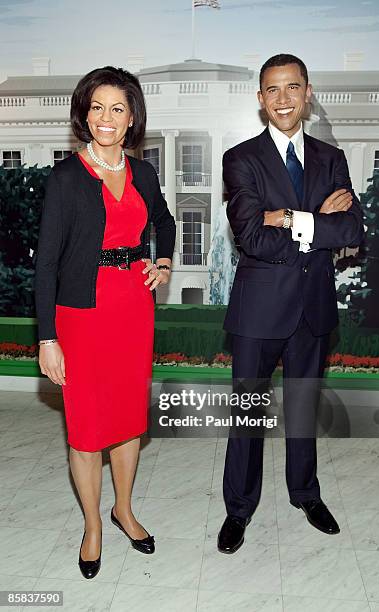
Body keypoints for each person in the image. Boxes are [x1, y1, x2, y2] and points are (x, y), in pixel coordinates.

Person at [218, 54, 364, 554]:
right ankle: (238, 509)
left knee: (304, 410)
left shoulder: (331, 157)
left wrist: (290, 219)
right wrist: (315, 220)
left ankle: (306, 494)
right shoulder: (241, 159)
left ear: (308, 93)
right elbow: (252, 238)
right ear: (261, 100)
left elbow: (352, 230)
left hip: (314, 306)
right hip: (260, 309)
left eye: (292, 88)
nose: (283, 98)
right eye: (272, 90)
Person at [35, 66, 176, 578]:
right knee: (87, 429)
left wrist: (161, 262)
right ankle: (93, 524)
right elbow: (46, 262)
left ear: (132, 116)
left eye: (117, 108)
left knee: (128, 421)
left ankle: (124, 510)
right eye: (97, 107)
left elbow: (163, 219)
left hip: (132, 310)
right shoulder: (66, 177)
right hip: (81, 314)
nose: (106, 118)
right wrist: (47, 338)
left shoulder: (144, 173)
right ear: (84, 113)